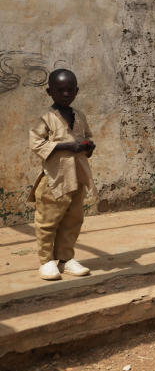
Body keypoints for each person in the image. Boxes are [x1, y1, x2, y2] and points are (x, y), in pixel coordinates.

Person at [29, 69, 96, 280]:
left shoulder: (80, 116)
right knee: (48, 221)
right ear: (50, 92)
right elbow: (36, 143)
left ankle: (66, 259)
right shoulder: (46, 118)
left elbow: (87, 139)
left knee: (73, 220)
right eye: (60, 90)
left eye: (70, 90)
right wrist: (68, 146)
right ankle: (46, 261)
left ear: (77, 90)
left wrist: (88, 146)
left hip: (76, 177)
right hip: (54, 179)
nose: (66, 94)